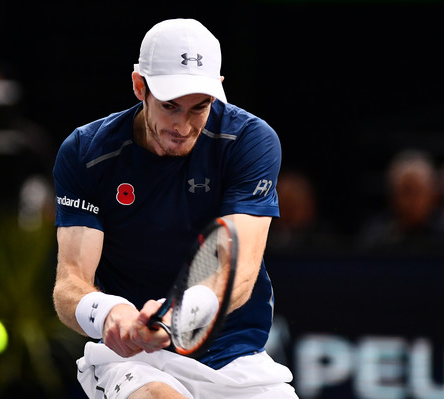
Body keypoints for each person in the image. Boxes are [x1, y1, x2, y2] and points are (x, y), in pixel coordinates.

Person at [52, 19, 297, 399]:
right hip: (134, 359)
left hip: (236, 358)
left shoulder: (249, 140)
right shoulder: (87, 153)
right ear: (139, 87)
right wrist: (110, 314)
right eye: (170, 106)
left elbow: (239, 271)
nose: (182, 125)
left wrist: (172, 322)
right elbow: (70, 283)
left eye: (199, 107)